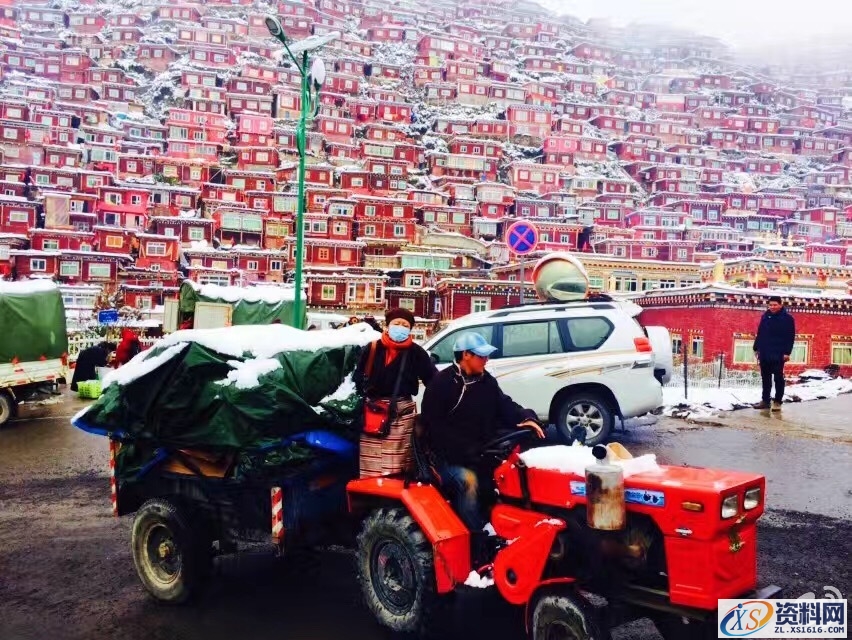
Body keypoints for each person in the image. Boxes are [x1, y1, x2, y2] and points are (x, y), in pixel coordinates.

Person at [418, 332, 544, 534]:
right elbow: (435, 430)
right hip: (447, 459)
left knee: (515, 473)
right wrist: (468, 451)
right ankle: (474, 535)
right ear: (466, 355)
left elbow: (504, 404)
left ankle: (513, 525)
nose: (486, 360)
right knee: (469, 481)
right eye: (481, 356)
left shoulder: (486, 381)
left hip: (481, 452)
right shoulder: (441, 384)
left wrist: (526, 417)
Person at [353, 308, 438, 477]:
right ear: (387, 325)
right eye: (396, 323)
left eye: (405, 325)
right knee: (371, 465)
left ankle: (393, 499)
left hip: (401, 414)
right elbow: (357, 377)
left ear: (410, 329)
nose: (400, 327)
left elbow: (433, 381)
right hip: (373, 413)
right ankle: (370, 496)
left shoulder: (416, 352)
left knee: (399, 465)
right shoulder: (372, 348)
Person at [752, 296, 795, 411]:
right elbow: (760, 333)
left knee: (778, 378)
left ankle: (777, 401)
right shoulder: (765, 316)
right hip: (765, 351)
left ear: (781, 305)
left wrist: (787, 352)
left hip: (778, 352)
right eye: (770, 305)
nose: (772, 307)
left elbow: (790, 336)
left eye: (775, 305)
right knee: (765, 378)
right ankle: (765, 401)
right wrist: (756, 348)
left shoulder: (787, 319)